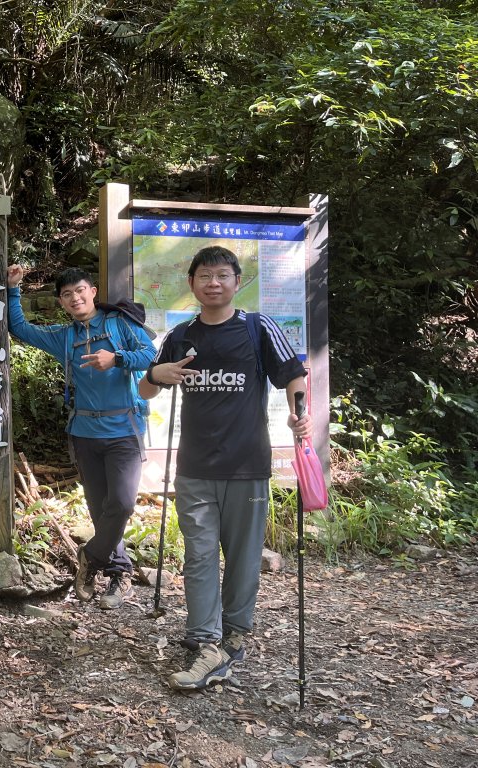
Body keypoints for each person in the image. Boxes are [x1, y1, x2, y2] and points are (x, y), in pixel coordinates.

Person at [137, 245, 312, 690]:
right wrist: (160, 375)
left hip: (247, 465)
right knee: (198, 554)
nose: (213, 282)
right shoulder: (180, 334)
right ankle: (203, 641)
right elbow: (146, 387)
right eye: (204, 275)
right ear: (191, 283)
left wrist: (298, 411)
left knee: (243, 557)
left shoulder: (257, 327)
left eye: (222, 275)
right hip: (194, 466)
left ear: (237, 281)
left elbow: (293, 372)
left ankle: (234, 635)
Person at [7, 265, 156, 609]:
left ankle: (89, 557)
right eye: (67, 294)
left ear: (93, 291)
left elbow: (151, 355)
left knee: (121, 504)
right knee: (99, 509)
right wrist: (14, 288)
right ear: (61, 301)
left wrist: (116, 358)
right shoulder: (65, 336)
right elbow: (20, 329)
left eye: (80, 290)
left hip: (124, 431)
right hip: (84, 433)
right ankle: (118, 574)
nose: (75, 298)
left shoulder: (120, 325)